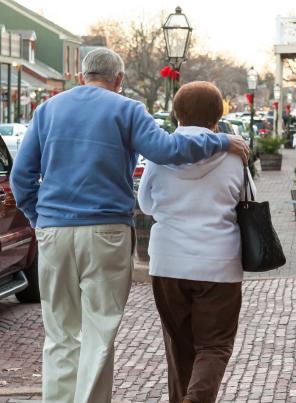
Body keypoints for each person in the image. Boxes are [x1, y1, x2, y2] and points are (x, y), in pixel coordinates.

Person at [9, 48, 249, 403]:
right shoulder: (127, 109)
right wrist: (220, 139)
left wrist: (39, 219)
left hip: (54, 230)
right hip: (106, 231)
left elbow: (21, 177)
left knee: (60, 332)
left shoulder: (47, 110)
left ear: (82, 76)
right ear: (119, 80)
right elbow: (167, 150)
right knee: (99, 330)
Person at [137, 81, 254, 403]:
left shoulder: (160, 155)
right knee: (214, 346)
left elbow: (146, 205)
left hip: (169, 260)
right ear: (218, 116)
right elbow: (248, 201)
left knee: (179, 346)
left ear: (177, 114)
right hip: (219, 262)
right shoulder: (235, 155)